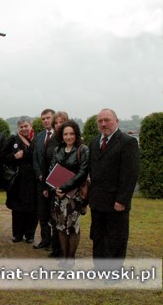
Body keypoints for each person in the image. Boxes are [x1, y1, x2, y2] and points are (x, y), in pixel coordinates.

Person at [88, 108, 139, 269]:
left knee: (115, 239)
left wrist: (122, 200)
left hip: (116, 202)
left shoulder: (127, 142)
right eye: (100, 121)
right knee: (98, 236)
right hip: (97, 201)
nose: (103, 124)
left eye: (107, 120)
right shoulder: (94, 142)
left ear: (116, 121)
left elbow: (130, 175)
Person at [49, 120, 89, 268]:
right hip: (58, 195)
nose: (68, 137)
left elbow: (82, 173)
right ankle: (64, 257)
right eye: (65, 134)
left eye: (71, 133)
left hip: (74, 195)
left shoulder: (83, 149)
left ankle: (71, 258)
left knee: (72, 227)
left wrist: (64, 188)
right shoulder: (58, 149)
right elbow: (52, 168)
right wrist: (56, 189)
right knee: (60, 226)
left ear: (76, 134)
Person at [3, 116, 37, 244]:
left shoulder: (36, 139)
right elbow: (3, 157)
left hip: (33, 179)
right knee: (17, 208)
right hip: (18, 179)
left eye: (26, 126)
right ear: (18, 128)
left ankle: (30, 235)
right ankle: (17, 234)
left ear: (30, 126)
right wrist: (14, 156)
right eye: (21, 127)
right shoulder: (13, 139)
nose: (24, 129)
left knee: (32, 209)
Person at [45, 111, 69, 258]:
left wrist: (64, 186)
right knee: (54, 220)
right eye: (57, 123)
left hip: (68, 186)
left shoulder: (71, 139)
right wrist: (50, 186)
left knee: (66, 222)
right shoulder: (52, 140)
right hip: (54, 185)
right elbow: (49, 163)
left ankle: (66, 252)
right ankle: (56, 249)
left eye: (62, 122)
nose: (59, 125)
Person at [33, 108, 55, 250]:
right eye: (43, 119)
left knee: (54, 214)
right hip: (41, 182)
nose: (45, 121)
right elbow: (35, 157)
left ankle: (55, 243)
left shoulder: (60, 136)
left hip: (55, 183)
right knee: (42, 214)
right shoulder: (39, 137)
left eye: (48, 118)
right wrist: (39, 173)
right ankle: (45, 240)